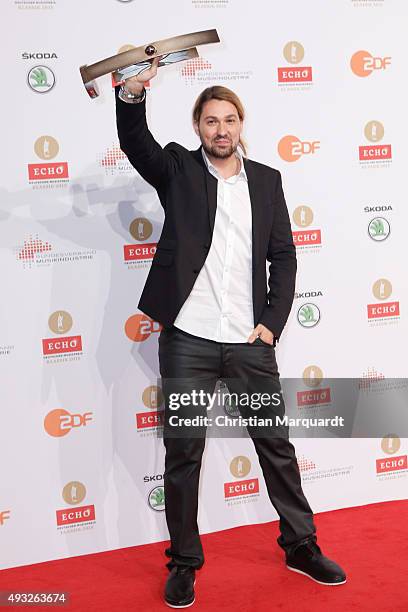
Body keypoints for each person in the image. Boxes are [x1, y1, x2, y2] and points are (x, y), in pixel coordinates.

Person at [115, 57, 346, 608]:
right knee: (184, 453)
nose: (222, 130)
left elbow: (284, 258)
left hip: (249, 340)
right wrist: (131, 96)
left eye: (231, 120)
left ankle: (301, 545)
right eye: (211, 121)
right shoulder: (178, 171)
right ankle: (184, 563)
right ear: (198, 127)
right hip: (189, 338)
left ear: (242, 125)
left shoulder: (267, 181)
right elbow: (136, 143)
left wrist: (271, 324)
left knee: (275, 446)